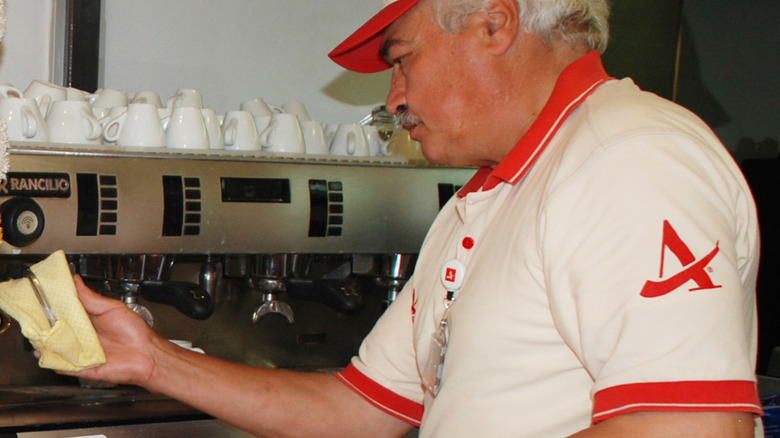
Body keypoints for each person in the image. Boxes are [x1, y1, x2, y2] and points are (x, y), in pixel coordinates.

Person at [66, 0, 763, 436]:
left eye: (403, 61)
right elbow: (358, 410)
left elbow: (692, 426)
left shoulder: (628, 159)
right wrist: (151, 360)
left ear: (496, 21)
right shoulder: (485, 199)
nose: (394, 99)